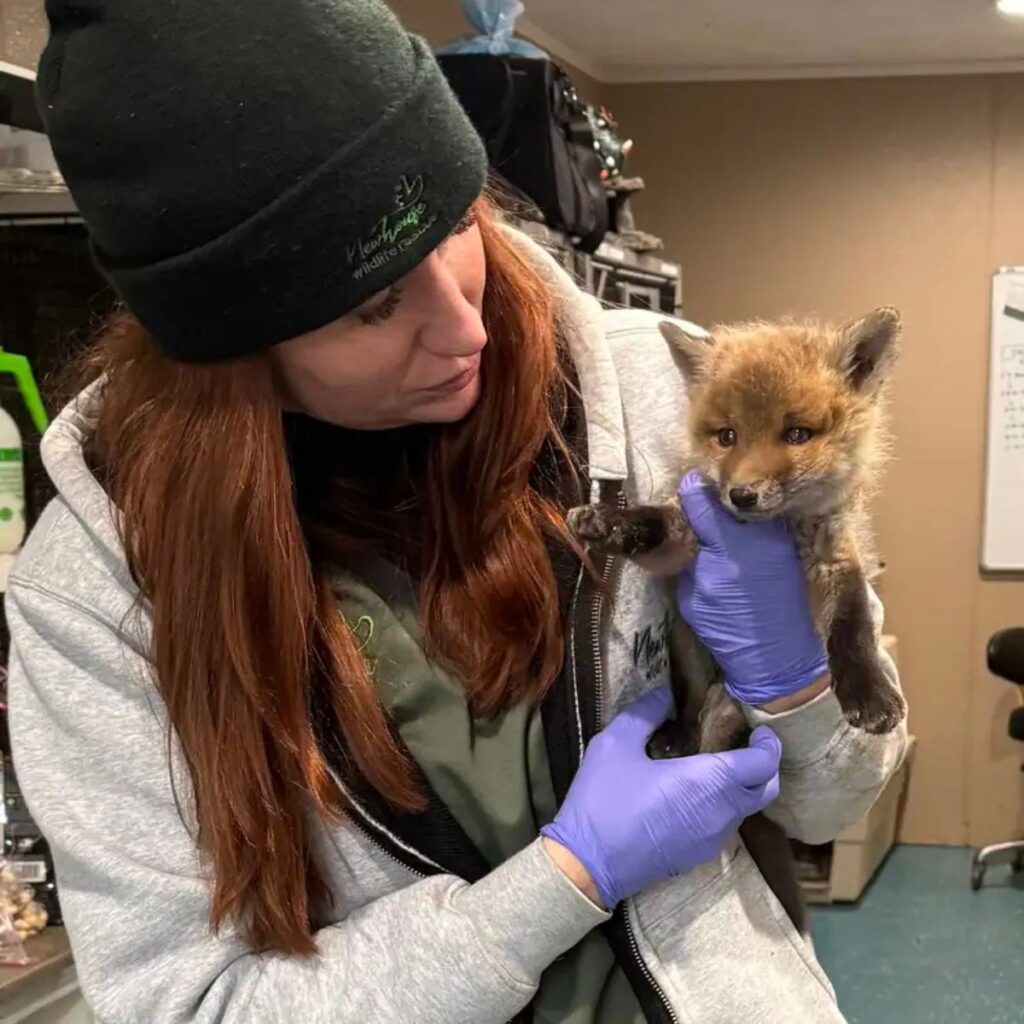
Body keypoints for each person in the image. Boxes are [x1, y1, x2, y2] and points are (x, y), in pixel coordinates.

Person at [6, 2, 908, 1022]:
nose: (463, 324)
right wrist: (559, 883)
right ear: (234, 348)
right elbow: (187, 1002)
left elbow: (834, 798)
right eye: (372, 305)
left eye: (454, 226)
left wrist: (799, 686)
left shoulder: (657, 395)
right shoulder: (95, 595)